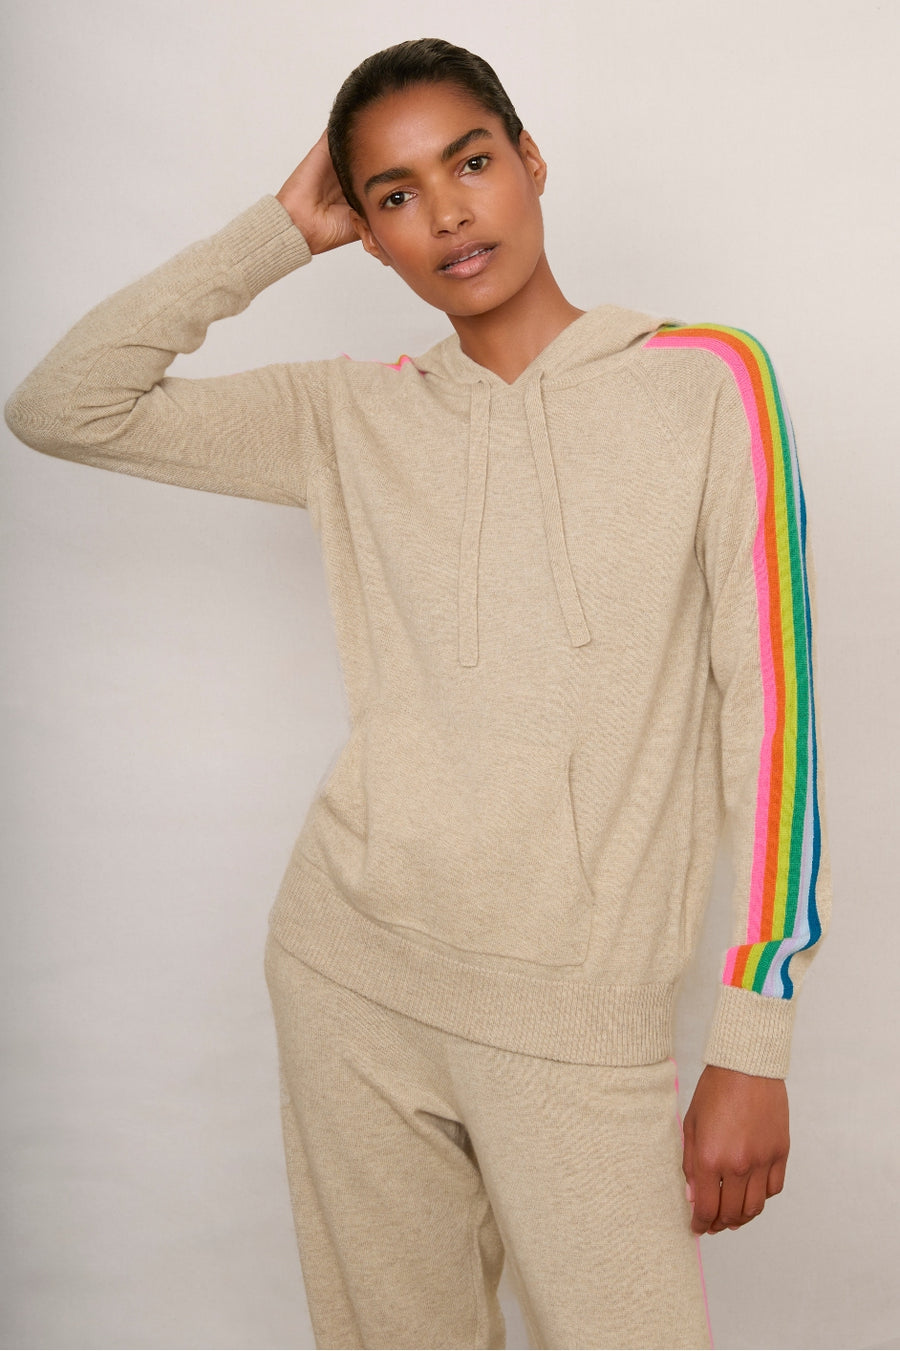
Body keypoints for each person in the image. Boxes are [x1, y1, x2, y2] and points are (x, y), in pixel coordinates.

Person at [5, 36, 832, 1351]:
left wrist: (755, 1034)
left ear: (530, 160)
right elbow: (63, 407)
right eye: (394, 195)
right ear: (368, 234)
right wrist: (277, 233)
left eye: (470, 161)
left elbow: (772, 716)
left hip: (577, 1022)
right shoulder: (348, 418)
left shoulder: (706, 383)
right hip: (352, 978)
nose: (446, 211)